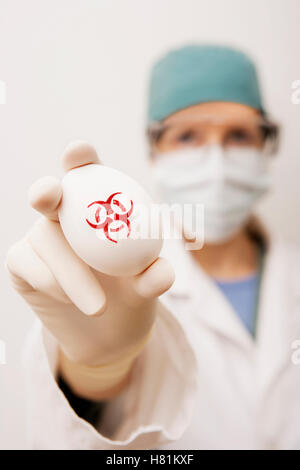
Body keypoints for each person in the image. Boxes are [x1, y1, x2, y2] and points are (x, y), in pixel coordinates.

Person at [6, 44, 300, 450]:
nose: (215, 161)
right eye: (187, 136)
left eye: (238, 135)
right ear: (154, 149)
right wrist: (94, 374)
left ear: (266, 142)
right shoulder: (100, 272)